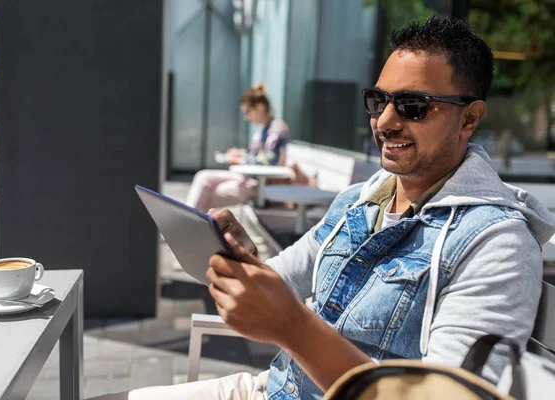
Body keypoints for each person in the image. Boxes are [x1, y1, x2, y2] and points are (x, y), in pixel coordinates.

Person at [93, 15, 555, 400]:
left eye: (413, 106)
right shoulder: (360, 201)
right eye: (379, 101)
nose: (386, 121)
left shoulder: (497, 244)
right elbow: (283, 276)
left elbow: (446, 397)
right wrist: (245, 260)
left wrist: (292, 328)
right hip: (272, 388)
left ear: (469, 118)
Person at [185, 84, 290, 212]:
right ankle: (188, 225)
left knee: (206, 192)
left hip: (260, 184)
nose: (246, 118)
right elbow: (255, 156)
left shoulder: (276, 128)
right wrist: (241, 155)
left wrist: (240, 160)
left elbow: (268, 162)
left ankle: (186, 226)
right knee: (202, 177)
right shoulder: (262, 130)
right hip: (248, 179)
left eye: (248, 112)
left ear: (260, 107)